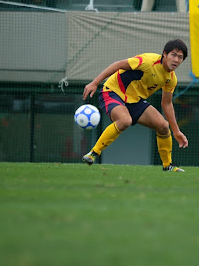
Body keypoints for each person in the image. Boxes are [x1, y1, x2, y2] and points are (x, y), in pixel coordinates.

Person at [81, 39, 190, 172]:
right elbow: (118, 64)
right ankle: (93, 153)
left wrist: (176, 131)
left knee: (163, 126)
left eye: (180, 57)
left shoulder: (171, 79)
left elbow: (166, 104)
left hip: (135, 100)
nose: (176, 60)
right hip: (113, 91)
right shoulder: (148, 61)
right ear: (165, 54)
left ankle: (168, 166)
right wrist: (95, 82)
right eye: (173, 55)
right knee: (125, 120)